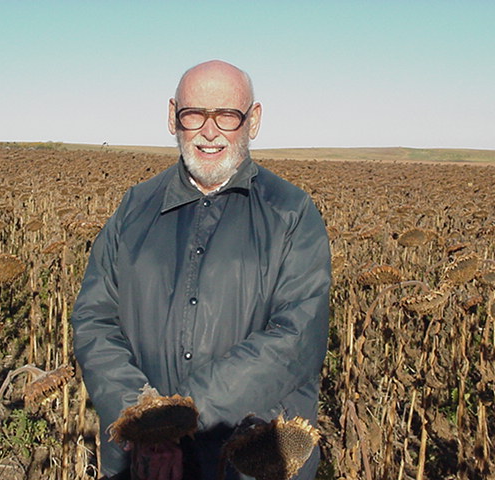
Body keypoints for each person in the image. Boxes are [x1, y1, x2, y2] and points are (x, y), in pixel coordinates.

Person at [71, 60, 331, 480]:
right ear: (173, 116)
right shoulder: (135, 207)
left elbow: (296, 339)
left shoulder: (291, 213)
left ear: (254, 121)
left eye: (227, 116)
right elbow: (94, 318)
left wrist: (181, 417)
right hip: (144, 460)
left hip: (250, 459)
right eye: (194, 114)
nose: (210, 131)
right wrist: (138, 417)